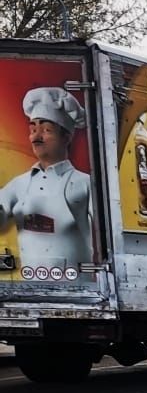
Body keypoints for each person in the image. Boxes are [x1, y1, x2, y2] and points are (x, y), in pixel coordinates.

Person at [0, 87, 92, 278]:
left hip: (80, 291)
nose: (36, 137)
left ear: (66, 136)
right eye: (33, 129)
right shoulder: (19, 184)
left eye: (46, 130)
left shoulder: (85, 183)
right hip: (30, 289)